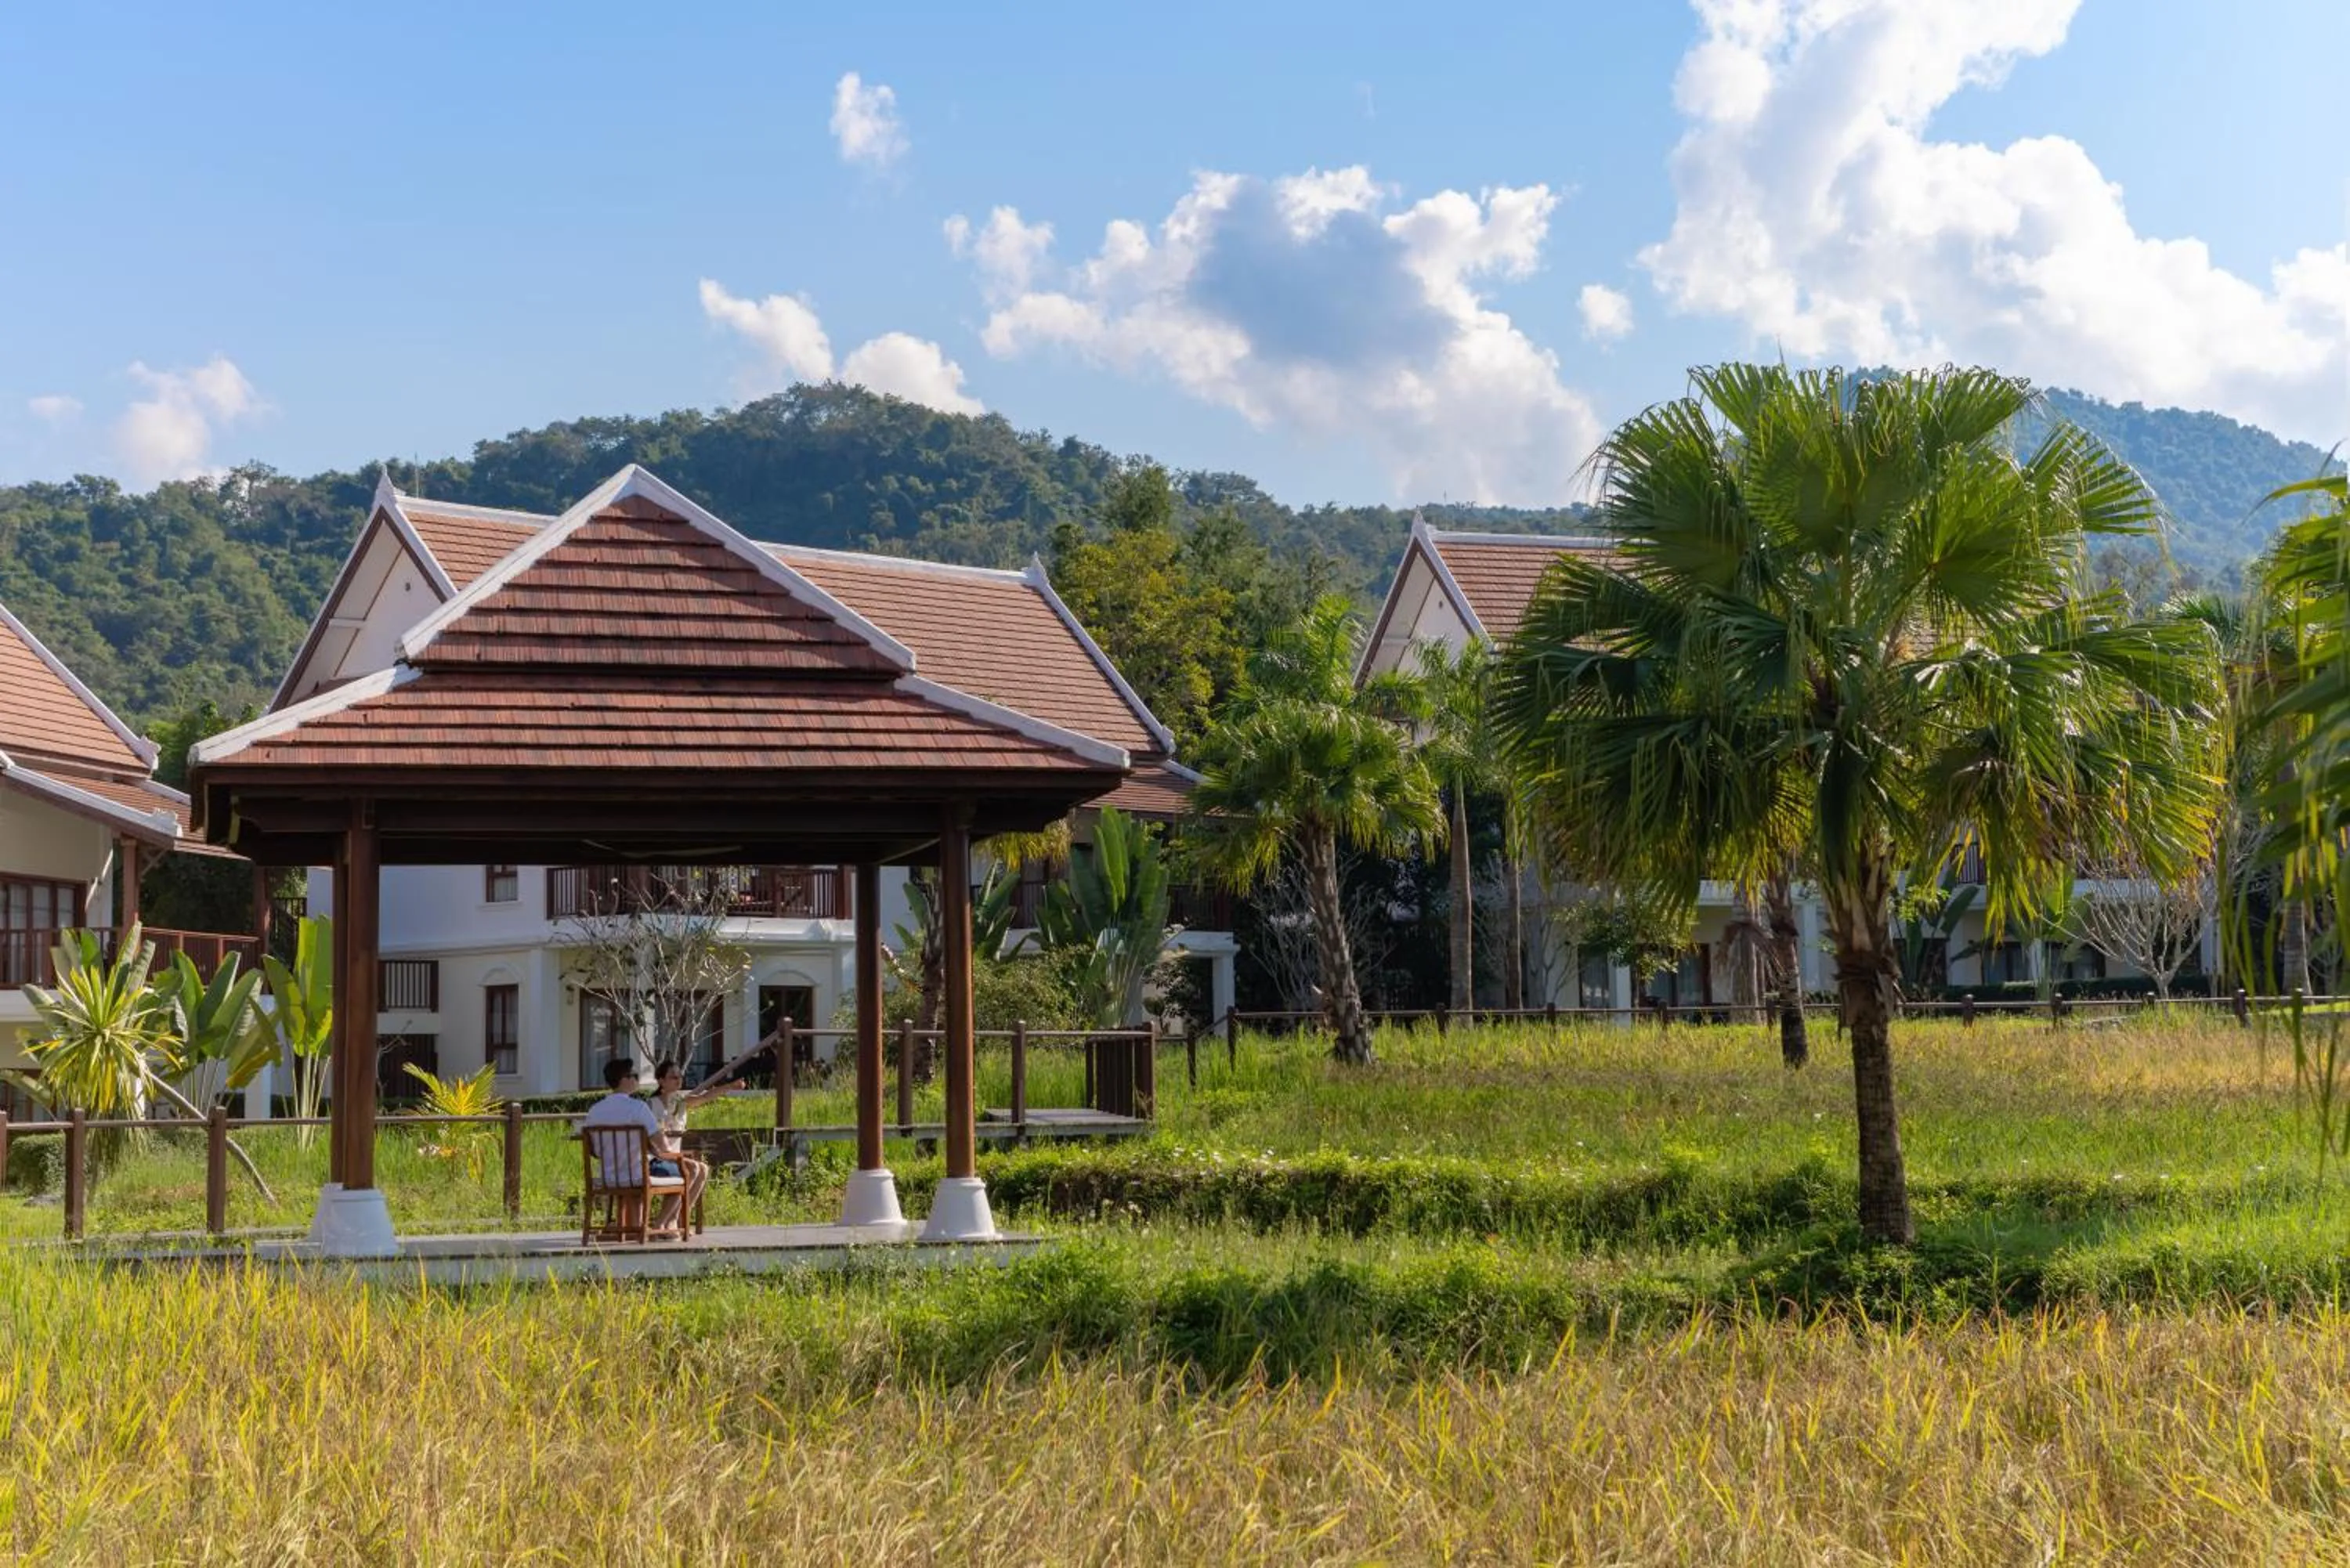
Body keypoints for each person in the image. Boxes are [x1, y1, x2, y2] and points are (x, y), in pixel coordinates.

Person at [580, 1059, 685, 1235]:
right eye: (635, 1076)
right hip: (636, 1176)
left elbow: (595, 1151)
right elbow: (663, 1145)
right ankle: (652, 1227)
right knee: (683, 1173)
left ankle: (629, 1229)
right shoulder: (638, 1108)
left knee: (637, 1178)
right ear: (624, 1079)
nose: (637, 1080)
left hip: (607, 1177)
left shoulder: (594, 1111)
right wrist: (668, 1153)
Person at [649, 1059, 733, 1227]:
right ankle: (666, 1222)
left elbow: (704, 1098)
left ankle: (680, 1218)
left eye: (680, 1076)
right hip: (657, 1157)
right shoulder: (652, 1104)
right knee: (694, 1168)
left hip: (674, 1157)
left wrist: (730, 1087)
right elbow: (649, 1136)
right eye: (673, 1077)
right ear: (661, 1081)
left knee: (704, 1168)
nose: (678, 1080)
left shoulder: (680, 1102)